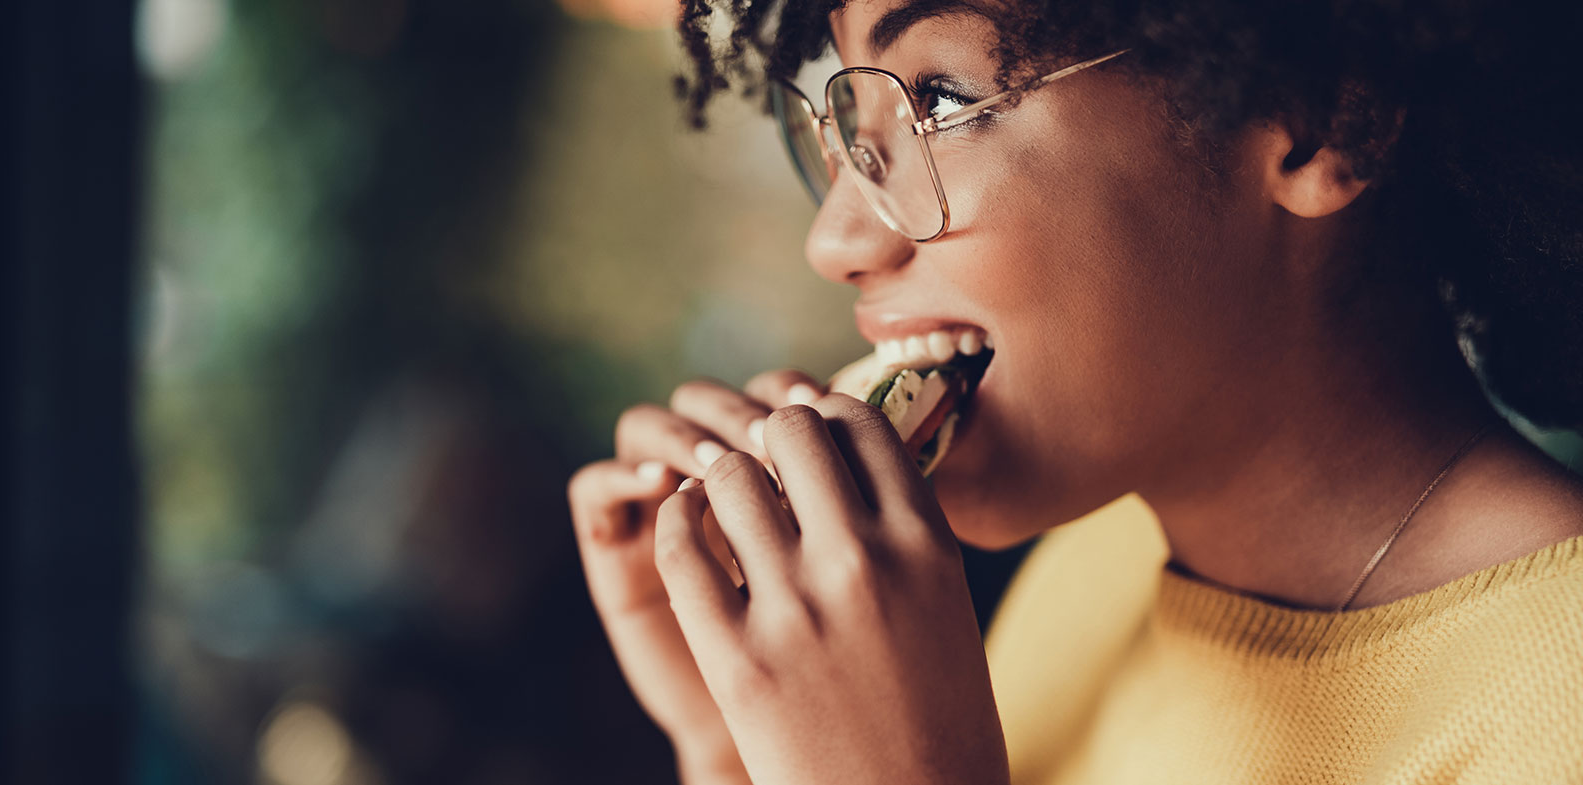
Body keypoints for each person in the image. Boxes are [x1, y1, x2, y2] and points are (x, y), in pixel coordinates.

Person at [565, 1, 1583, 783]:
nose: (836, 240)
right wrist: (738, 741)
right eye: (850, 124)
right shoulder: (1098, 562)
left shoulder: (1554, 709)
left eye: (940, 101)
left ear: (1319, 119)